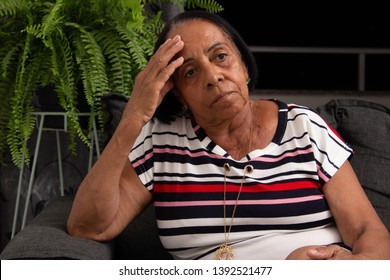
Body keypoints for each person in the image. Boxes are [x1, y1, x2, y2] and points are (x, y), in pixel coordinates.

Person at [67, 10, 390, 260]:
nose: (213, 77)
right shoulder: (160, 142)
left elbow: (367, 232)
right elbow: (89, 227)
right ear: (177, 94)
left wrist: (352, 266)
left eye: (220, 57)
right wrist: (134, 116)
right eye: (190, 72)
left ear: (244, 67)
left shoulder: (303, 127)